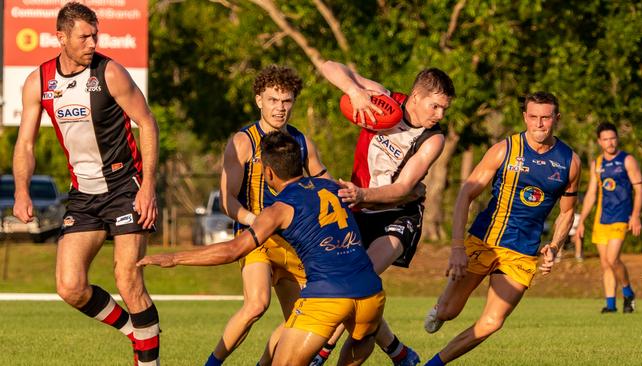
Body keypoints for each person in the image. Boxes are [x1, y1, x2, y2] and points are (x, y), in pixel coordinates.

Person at [138, 132, 385, 366]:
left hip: (327, 297)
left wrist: (174, 257)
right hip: (372, 294)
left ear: (268, 172)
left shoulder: (279, 209)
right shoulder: (331, 186)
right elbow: (376, 198)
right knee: (362, 339)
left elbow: (233, 250)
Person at [12, 2, 160, 365]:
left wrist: (148, 186)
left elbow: (148, 122)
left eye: (96, 34)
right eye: (84, 36)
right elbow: (26, 144)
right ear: (60, 37)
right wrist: (21, 189)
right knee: (70, 286)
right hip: (83, 194)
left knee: (127, 280)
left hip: (126, 186)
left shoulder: (111, 74)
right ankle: (137, 330)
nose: (93, 42)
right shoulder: (39, 82)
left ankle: (149, 359)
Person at [422, 92, 580, 366]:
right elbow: (465, 195)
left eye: (545, 117)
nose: (539, 124)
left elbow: (567, 213)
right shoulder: (504, 150)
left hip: (522, 252)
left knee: (493, 322)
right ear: (524, 117)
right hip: (484, 241)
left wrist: (554, 246)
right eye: (533, 117)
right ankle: (440, 307)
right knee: (449, 312)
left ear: (557, 118)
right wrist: (457, 248)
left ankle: (434, 363)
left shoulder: (570, 161)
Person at [315, 60, 455, 366]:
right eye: (436, 107)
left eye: (444, 109)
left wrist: (363, 194)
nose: (440, 115)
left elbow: (405, 187)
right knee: (354, 285)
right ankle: (397, 351)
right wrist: (354, 91)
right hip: (359, 208)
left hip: (399, 214)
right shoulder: (383, 101)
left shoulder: (433, 140)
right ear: (416, 97)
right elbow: (328, 65)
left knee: (357, 277)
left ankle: (321, 350)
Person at [213, 65, 330, 365]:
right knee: (256, 304)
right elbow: (227, 200)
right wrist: (255, 222)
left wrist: (355, 195)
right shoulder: (243, 142)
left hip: (292, 243)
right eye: (273, 100)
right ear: (259, 101)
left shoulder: (302, 143)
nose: (280, 108)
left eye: (286, 101)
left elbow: (325, 186)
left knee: (303, 321)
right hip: (256, 240)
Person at [575, 122, 642, 313]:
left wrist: (636, 216)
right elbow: (591, 195)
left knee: (613, 259)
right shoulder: (597, 164)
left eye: (613, 138)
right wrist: (581, 221)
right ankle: (611, 305)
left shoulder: (627, 160)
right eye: (605, 139)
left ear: (617, 139)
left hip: (622, 216)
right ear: (599, 141)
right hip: (602, 218)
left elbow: (639, 190)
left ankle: (628, 292)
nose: (610, 142)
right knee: (605, 263)